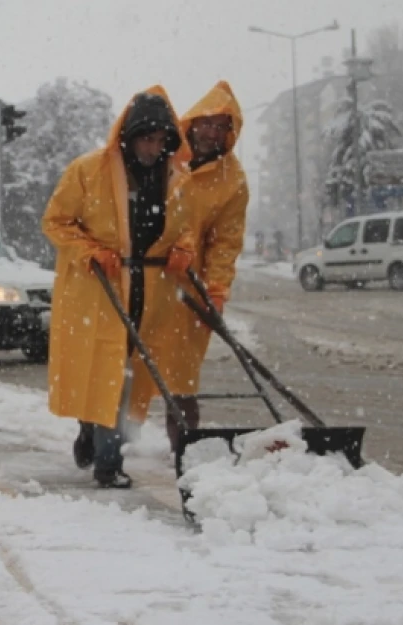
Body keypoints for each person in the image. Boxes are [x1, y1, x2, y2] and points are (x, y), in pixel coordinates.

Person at [42, 86, 197, 489]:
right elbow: (56, 221)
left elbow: (186, 230)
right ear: (129, 138)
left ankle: (103, 447)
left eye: (162, 140)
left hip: (150, 287)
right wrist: (89, 251)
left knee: (128, 376)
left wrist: (183, 249)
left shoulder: (176, 180)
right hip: (101, 286)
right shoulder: (88, 170)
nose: (154, 147)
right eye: (148, 138)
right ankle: (103, 453)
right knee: (105, 372)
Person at [166, 80, 249, 464]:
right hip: (145, 275)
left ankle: (186, 445)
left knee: (181, 374)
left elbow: (225, 241)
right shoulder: (164, 153)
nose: (213, 132)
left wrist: (215, 290)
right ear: (194, 121)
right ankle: (102, 439)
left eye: (223, 126)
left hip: (190, 284)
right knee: (126, 365)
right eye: (209, 123)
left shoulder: (232, 180)